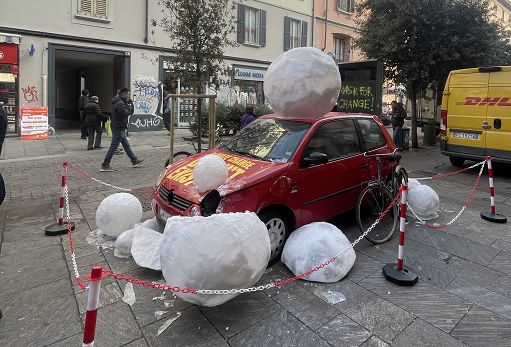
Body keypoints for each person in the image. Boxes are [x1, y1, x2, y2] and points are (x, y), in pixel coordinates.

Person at [101, 88, 144, 172]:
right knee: (113, 147)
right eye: (128, 94)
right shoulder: (120, 103)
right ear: (123, 94)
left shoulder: (120, 102)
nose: (129, 96)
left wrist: (128, 104)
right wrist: (130, 104)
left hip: (119, 127)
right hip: (118, 128)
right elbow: (127, 113)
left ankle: (134, 160)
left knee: (126, 146)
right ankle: (105, 165)